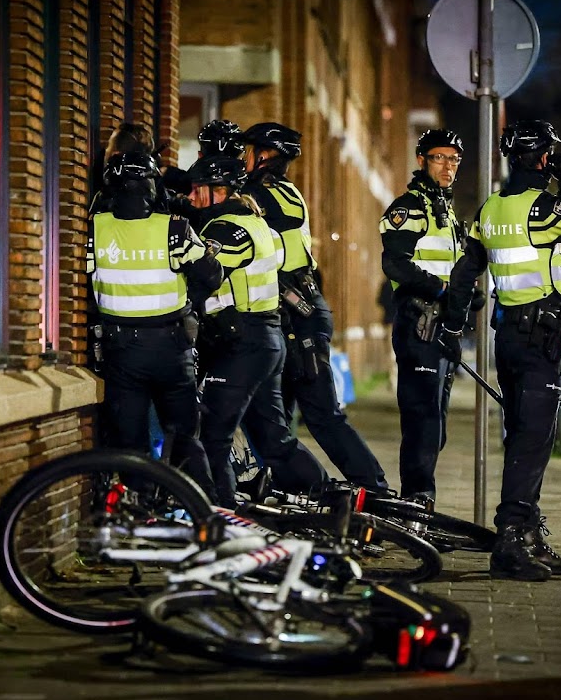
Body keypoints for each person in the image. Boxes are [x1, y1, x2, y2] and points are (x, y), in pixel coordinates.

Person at [444, 119, 561, 581]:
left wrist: (451, 327)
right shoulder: (544, 209)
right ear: (544, 158)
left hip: (508, 338)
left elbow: (467, 272)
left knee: (522, 433)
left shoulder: (490, 210)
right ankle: (512, 540)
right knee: (533, 439)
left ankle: (528, 533)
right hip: (539, 339)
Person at [240, 121, 389, 491]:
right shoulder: (278, 190)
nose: (241, 158)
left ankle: (372, 489)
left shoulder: (268, 193)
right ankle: (294, 490)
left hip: (298, 318)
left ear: (262, 155)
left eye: (246, 151)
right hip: (295, 313)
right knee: (278, 420)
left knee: (322, 415)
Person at [89, 124, 222, 502]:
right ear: (152, 186)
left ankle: (142, 514)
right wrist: (186, 300)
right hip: (171, 347)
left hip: (120, 351)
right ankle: (207, 511)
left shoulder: (95, 229)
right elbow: (212, 274)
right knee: (184, 438)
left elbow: (83, 287)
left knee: (131, 444)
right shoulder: (175, 228)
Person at [186, 154, 328, 506]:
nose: (191, 198)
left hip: (243, 343)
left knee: (213, 435)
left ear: (219, 191)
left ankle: (222, 516)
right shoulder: (256, 221)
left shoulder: (226, 228)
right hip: (267, 339)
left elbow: (203, 276)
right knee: (274, 440)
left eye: (197, 190)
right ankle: (326, 500)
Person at [379, 129, 467, 503]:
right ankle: (418, 498)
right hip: (418, 323)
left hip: (442, 326)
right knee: (422, 418)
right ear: (421, 160)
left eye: (454, 159)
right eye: (439, 158)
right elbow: (394, 264)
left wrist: (467, 296)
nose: (447, 166)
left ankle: (421, 495)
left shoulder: (445, 212)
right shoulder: (408, 208)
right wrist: (440, 289)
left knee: (436, 421)